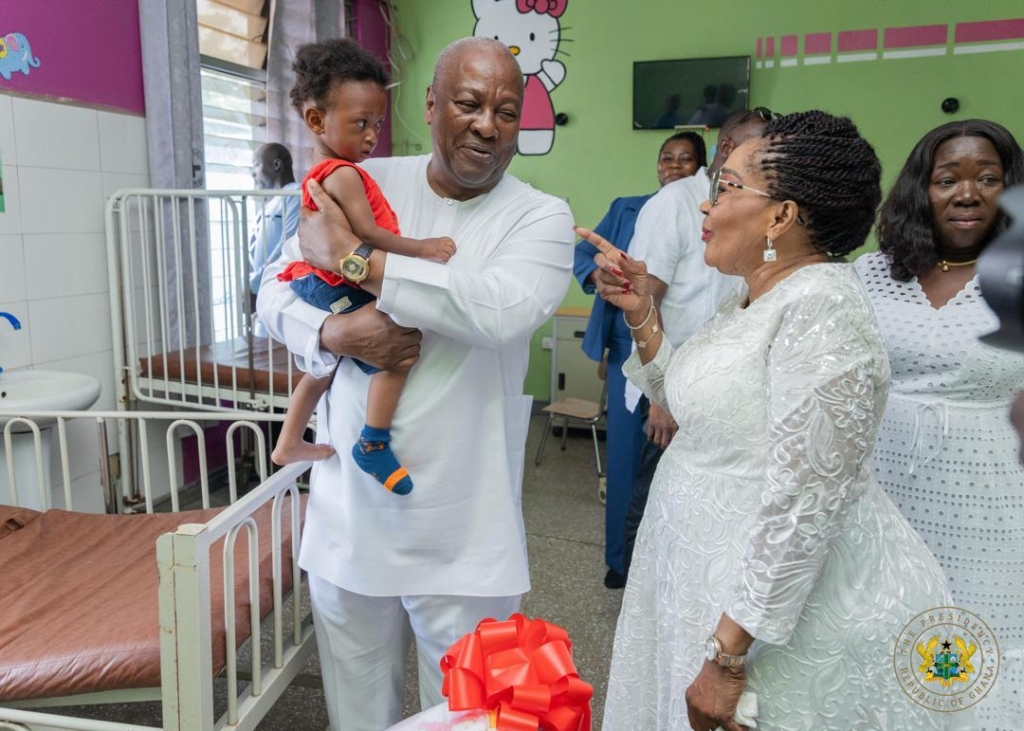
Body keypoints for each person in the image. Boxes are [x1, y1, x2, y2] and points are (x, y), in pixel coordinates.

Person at [581, 110, 950, 730]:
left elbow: (807, 499)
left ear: (781, 215)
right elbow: (690, 400)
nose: (705, 207)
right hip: (699, 569)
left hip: (763, 616)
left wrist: (726, 656)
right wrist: (643, 311)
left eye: (724, 188)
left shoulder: (823, 306)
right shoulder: (751, 296)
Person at [256, 37, 573, 731]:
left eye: (507, 111)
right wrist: (330, 334)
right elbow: (274, 295)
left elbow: (490, 307)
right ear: (431, 105)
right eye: (467, 103)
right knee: (356, 712)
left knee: (466, 719)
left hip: (464, 532)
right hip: (350, 521)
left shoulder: (541, 218)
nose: (487, 124)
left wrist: (352, 259)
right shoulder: (363, 175)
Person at [855, 118, 1024, 727]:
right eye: (947, 179)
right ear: (920, 190)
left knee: (965, 642)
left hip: (988, 503)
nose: (967, 193)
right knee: (877, 622)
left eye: (989, 179)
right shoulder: (871, 274)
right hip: (878, 492)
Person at [269, 39, 456, 498]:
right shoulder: (346, 174)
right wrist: (421, 248)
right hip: (328, 280)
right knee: (396, 348)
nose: (373, 135)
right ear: (317, 120)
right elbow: (369, 238)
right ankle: (373, 442)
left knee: (322, 366)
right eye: (361, 124)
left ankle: (290, 440)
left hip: (317, 281)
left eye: (378, 123)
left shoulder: (326, 171)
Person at [619, 108, 769, 582]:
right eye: (759, 149)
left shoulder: (760, 202)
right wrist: (662, 397)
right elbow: (646, 297)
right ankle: (633, 587)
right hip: (669, 385)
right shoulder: (675, 202)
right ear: (727, 149)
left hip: (725, 395)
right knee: (654, 499)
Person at [574, 131, 705, 589]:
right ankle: (620, 561)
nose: (672, 166)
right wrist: (599, 276)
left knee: (674, 466)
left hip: (681, 351)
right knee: (627, 459)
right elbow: (580, 253)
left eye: (684, 159)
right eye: (665, 158)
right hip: (624, 347)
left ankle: (665, 566)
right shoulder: (627, 207)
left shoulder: (702, 213)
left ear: (701, 170)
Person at [248, 143, 300, 336]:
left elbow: (289, 242)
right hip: (262, 287)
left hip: (279, 284)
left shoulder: (295, 194)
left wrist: (257, 278)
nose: (253, 174)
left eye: (256, 165)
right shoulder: (271, 202)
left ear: (276, 165)